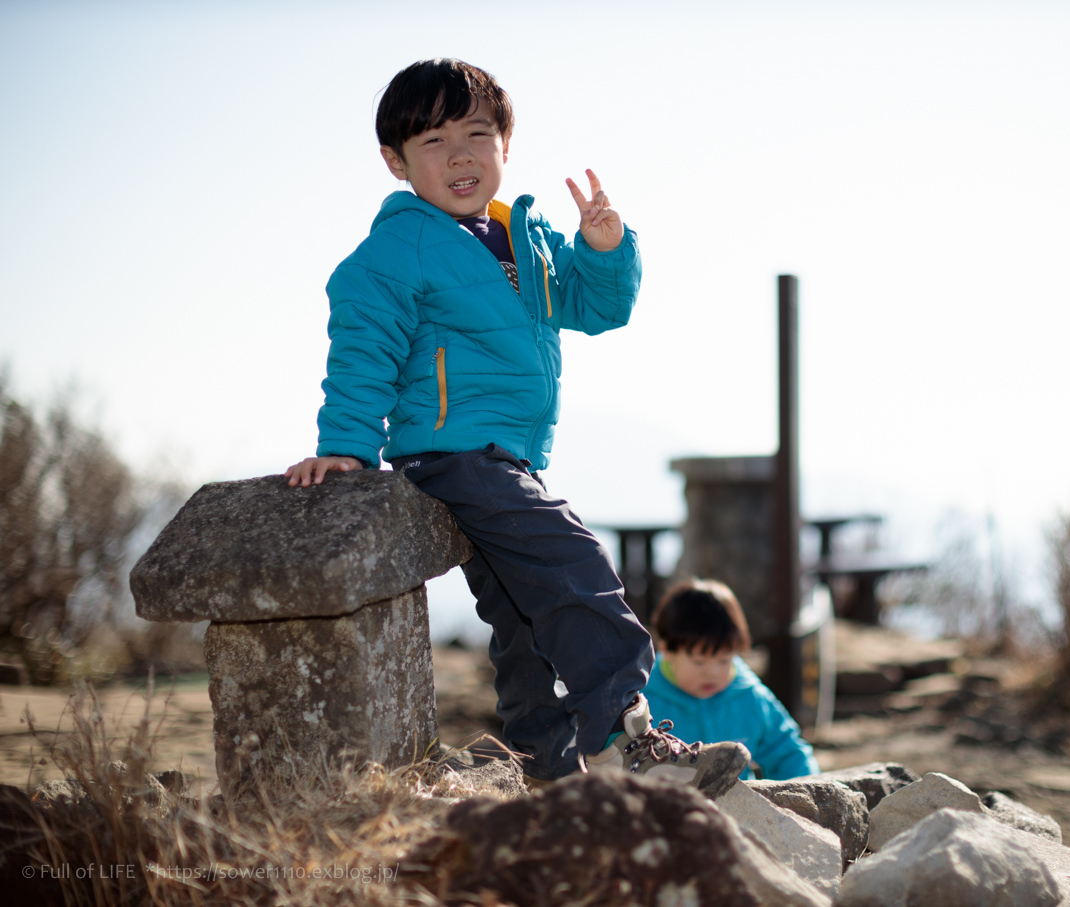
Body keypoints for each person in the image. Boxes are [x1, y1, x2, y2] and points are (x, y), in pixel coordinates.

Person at [283, 58, 748, 797]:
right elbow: (363, 341)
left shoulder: (518, 239)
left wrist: (602, 247)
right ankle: (636, 738)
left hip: (509, 457)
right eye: (433, 141)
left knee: (526, 618)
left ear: (506, 144)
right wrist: (345, 445)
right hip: (452, 453)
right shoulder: (398, 249)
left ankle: (543, 766)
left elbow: (596, 308)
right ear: (394, 161)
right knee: (573, 565)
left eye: (477, 133)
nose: (461, 155)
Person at [644, 579, 820, 780]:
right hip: (667, 805)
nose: (713, 673)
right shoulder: (644, 700)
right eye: (699, 662)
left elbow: (788, 752)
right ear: (666, 649)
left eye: (724, 660)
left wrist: (806, 792)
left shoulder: (749, 696)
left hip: (738, 806)